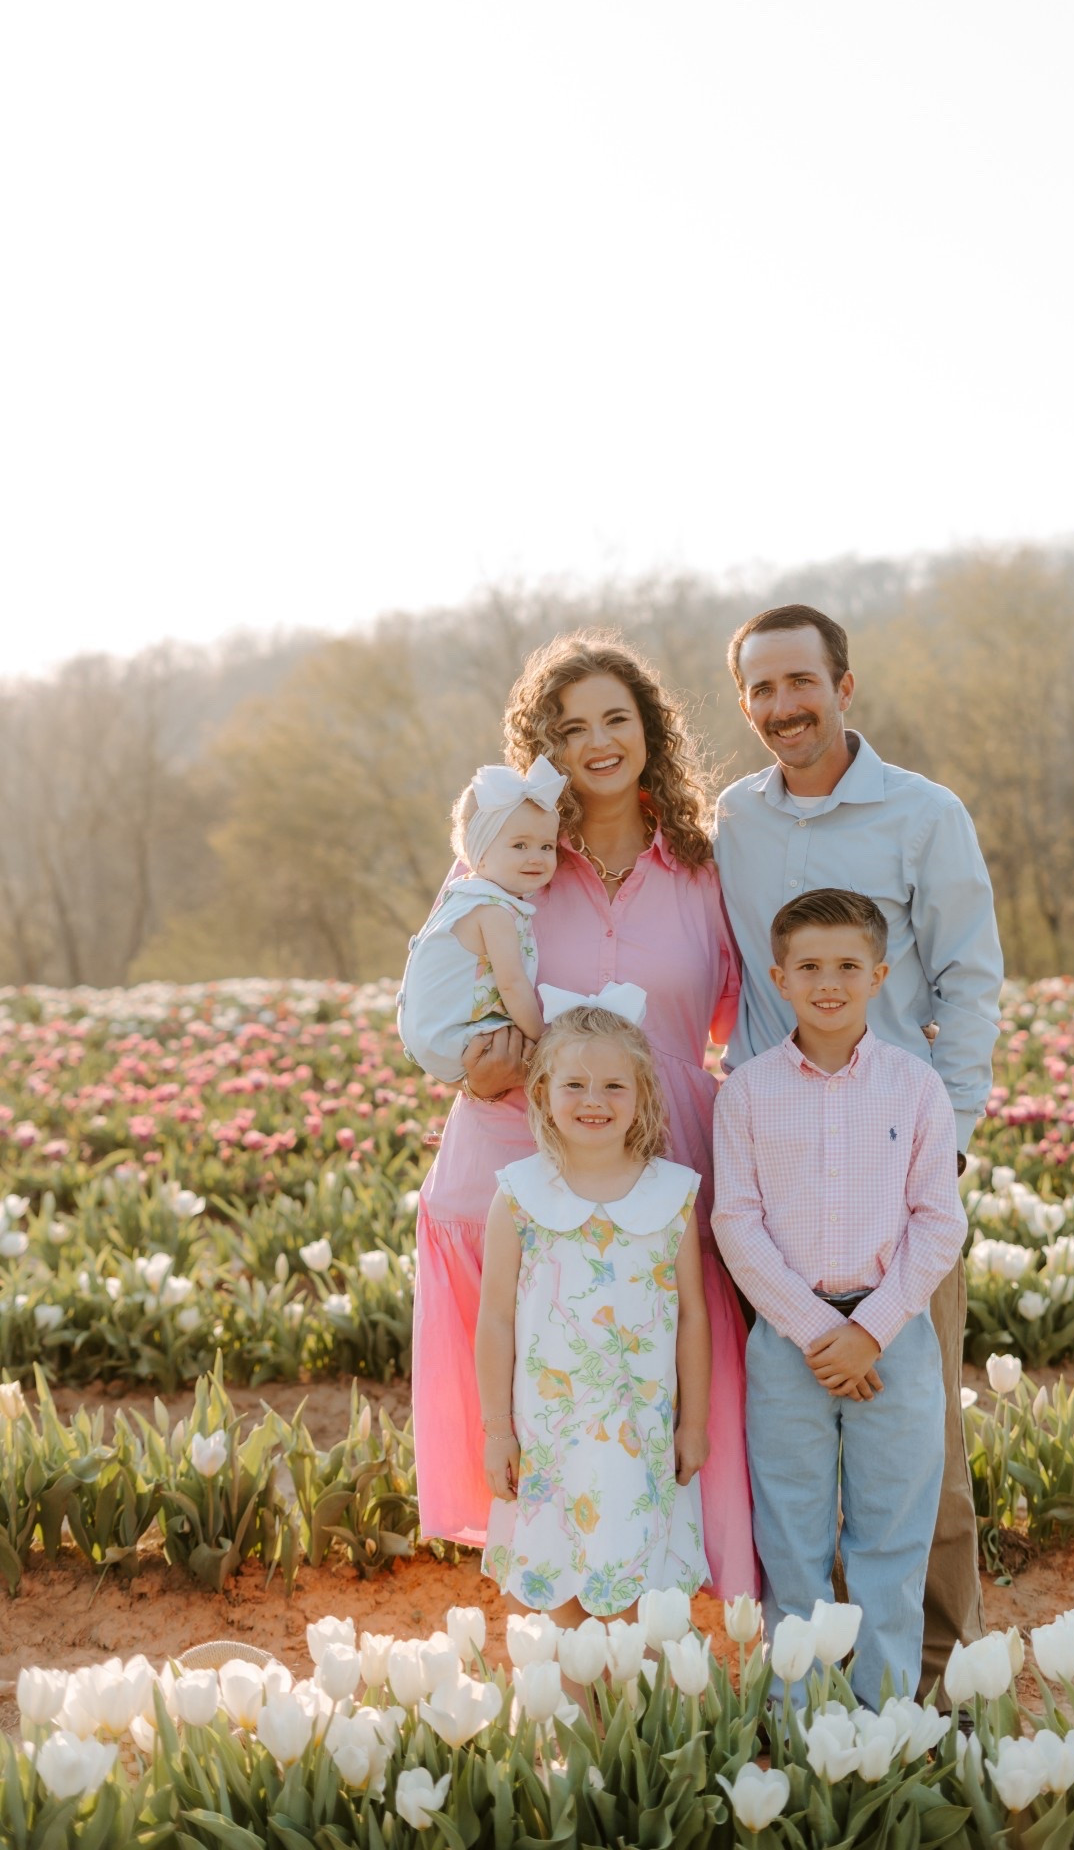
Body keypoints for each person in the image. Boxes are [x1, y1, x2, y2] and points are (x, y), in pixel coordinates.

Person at [412, 631, 758, 1599]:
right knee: (554, 1396)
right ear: (543, 750)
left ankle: (714, 1626)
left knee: (688, 1391)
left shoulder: (706, 867)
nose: (598, 741)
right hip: (521, 1152)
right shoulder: (510, 860)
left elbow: (744, 1010)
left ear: (651, 727)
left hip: (672, 1153)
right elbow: (432, 1001)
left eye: (616, 717)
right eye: (570, 728)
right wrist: (473, 1059)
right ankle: (563, 1645)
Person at [712, 602, 1003, 1691]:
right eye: (759, 689)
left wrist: (954, 1135)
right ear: (744, 701)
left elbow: (971, 975)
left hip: (899, 1174)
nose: (782, 706)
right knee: (787, 1453)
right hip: (774, 1173)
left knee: (919, 1457)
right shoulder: (732, 820)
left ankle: (933, 1678)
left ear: (845, 685)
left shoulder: (923, 814)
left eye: (800, 681)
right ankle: (804, 1688)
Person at [712, 888, 966, 1704]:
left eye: (848, 966)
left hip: (897, 1341)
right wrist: (823, 1332)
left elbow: (938, 1223)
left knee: (891, 1535)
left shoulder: (916, 1086)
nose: (830, 982)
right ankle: (799, 1720)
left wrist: (874, 1329)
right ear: (779, 977)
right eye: (810, 966)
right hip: (788, 1344)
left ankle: (886, 1719)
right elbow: (736, 1224)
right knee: (793, 1537)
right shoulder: (746, 1093)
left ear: (880, 975)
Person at [477, 998, 710, 1618]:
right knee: (560, 1592)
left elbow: (692, 1317)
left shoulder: (672, 1193)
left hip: (642, 1432)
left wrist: (694, 1423)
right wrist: (497, 1431)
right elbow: (496, 1319)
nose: (594, 1101)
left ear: (642, 1096)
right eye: (575, 1085)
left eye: (614, 1086)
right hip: (550, 1434)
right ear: (544, 1092)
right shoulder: (519, 1196)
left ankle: (640, 1712)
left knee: (641, 1591)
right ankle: (573, 1711)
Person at [396, 757, 564, 1083]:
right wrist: (543, 1038)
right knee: (556, 1062)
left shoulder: (464, 896)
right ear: (480, 852)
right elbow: (512, 984)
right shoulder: (493, 912)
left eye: (547, 846)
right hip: (459, 1041)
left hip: (431, 1035)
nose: (536, 857)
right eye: (519, 845)